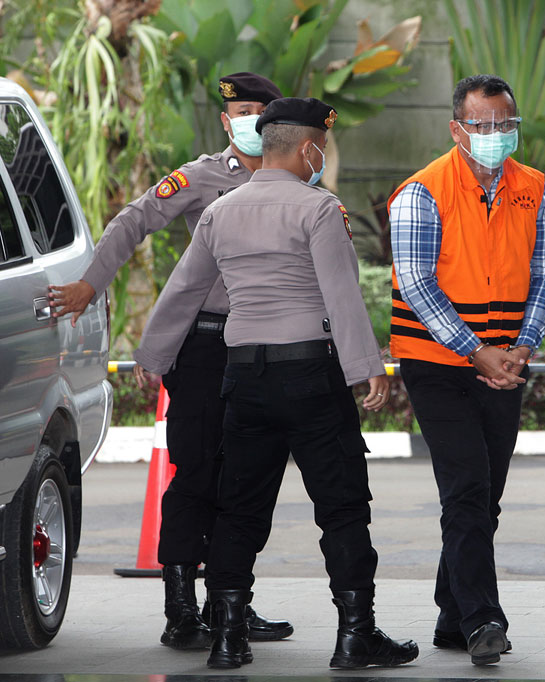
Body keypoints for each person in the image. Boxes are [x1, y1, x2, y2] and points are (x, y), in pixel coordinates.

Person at [132, 97, 418, 671]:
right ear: (309, 148)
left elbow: (185, 288)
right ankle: (355, 635)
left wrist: (153, 355)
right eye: (323, 147)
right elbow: (341, 292)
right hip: (311, 375)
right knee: (341, 505)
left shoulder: (220, 210)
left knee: (238, 507)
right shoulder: (320, 208)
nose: (322, 157)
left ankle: (228, 636)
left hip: (243, 376)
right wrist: (367, 367)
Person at [47, 72, 292, 649]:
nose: (250, 122)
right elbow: (133, 221)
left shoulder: (292, 179)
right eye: (241, 112)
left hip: (267, 349)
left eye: (260, 113)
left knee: (247, 480)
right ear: (226, 121)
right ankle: (181, 609)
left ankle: (230, 603)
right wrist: (89, 284)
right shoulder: (202, 177)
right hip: (206, 346)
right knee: (198, 475)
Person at [388, 74, 545, 665]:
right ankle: (484, 618)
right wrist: (475, 349)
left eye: (505, 124)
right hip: (436, 361)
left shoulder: (533, 187)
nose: (494, 133)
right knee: (466, 486)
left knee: (486, 496)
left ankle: (451, 614)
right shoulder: (422, 192)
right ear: (456, 129)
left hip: (506, 362)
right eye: (482, 124)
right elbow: (416, 282)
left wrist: (523, 346)